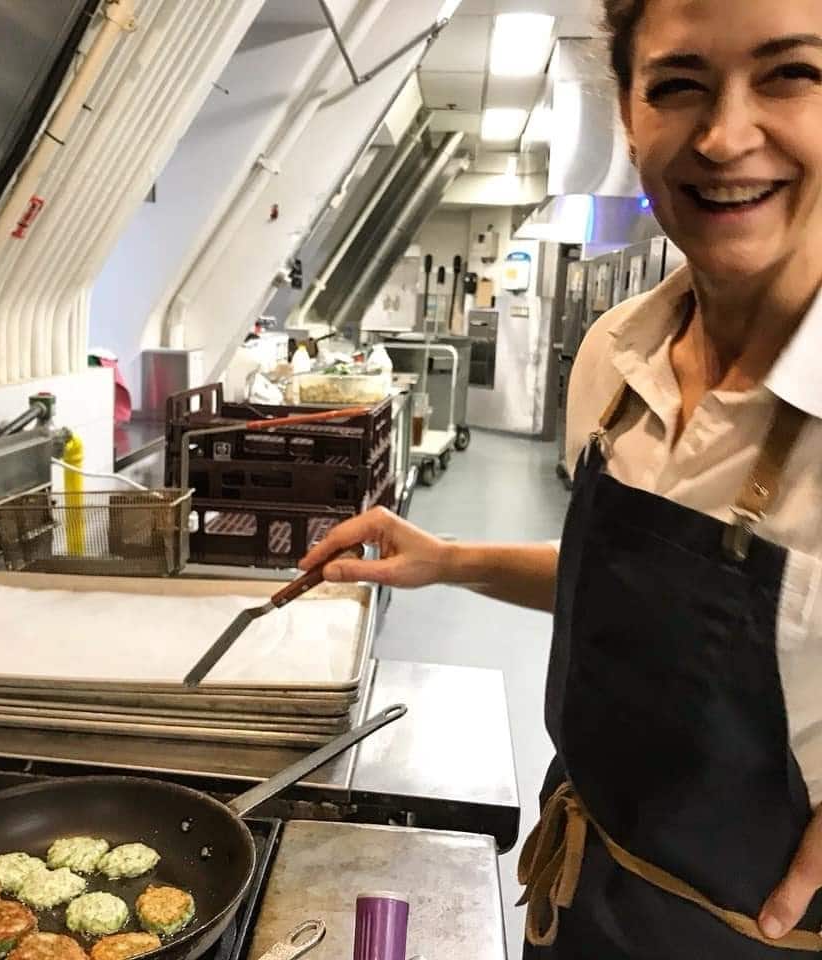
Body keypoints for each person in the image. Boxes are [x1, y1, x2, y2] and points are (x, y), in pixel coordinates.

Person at [300, 0, 822, 955]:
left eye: (792, 74)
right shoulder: (617, 358)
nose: (725, 136)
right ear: (629, 115)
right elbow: (631, 589)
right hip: (580, 889)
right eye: (678, 85)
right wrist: (450, 560)